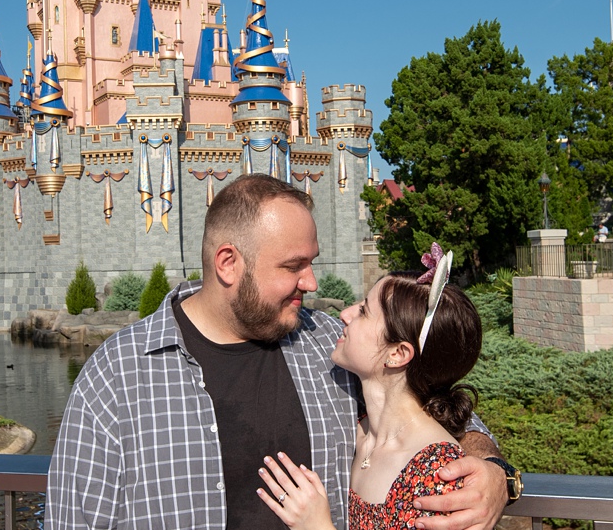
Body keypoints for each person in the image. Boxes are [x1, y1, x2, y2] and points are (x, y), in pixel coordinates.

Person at [46, 174, 511, 530]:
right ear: (228, 263)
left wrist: (492, 472)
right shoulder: (118, 375)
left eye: (312, 262)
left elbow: (433, 407)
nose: (310, 283)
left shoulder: (326, 344)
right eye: (293, 266)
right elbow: (72, 518)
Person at [256, 245, 506, 530]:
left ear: (397, 354)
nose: (345, 314)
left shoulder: (436, 472)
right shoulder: (359, 428)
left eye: (364, 311)